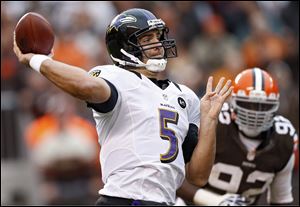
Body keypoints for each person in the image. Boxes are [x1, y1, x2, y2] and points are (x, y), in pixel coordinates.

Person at [13, 8, 233, 205]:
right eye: (147, 39)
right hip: (123, 199)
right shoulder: (115, 77)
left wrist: (209, 122)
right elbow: (86, 87)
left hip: (163, 201)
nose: (157, 45)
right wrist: (39, 61)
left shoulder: (186, 97)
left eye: (158, 37)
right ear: (125, 47)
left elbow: (198, 176)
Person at [177, 67, 298, 205]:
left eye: (263, 106)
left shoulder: (283, 139)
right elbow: (173, 176)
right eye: (248, 105)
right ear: (232, 102)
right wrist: (214, 201)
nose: (255, 113)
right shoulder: (215, 122)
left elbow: (280, 200)